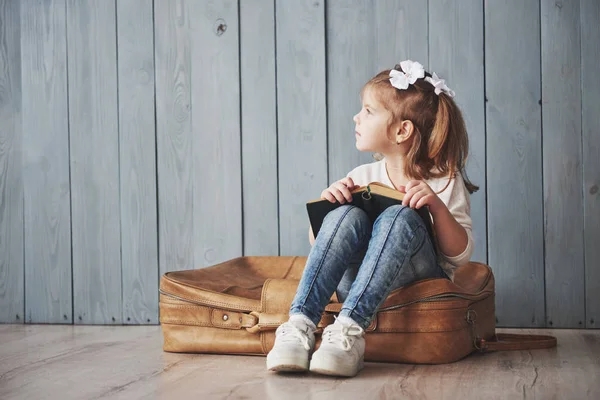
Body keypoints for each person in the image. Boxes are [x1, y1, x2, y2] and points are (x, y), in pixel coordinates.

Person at [266, 60, 479, 377]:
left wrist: (435, 207)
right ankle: (300, 325)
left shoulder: (443, 180)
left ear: (401, 130)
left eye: (368, 111)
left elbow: (460, 255)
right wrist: (330, 207)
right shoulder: (362, 176)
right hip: (355, 280)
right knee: (346, 213)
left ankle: (347, 332)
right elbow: (319, 245)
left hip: (417, 280)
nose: (356, 117)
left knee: (399, 216)